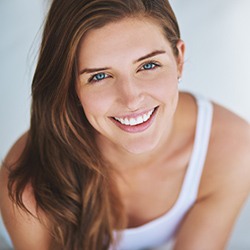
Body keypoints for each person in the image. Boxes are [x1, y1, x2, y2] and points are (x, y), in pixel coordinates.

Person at [0, 0, 250, 249]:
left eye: (148, 65)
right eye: (99, 76)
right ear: (71, 86)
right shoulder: (25, 180)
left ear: (179, 59)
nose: (131, 100)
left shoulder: (231, 148)